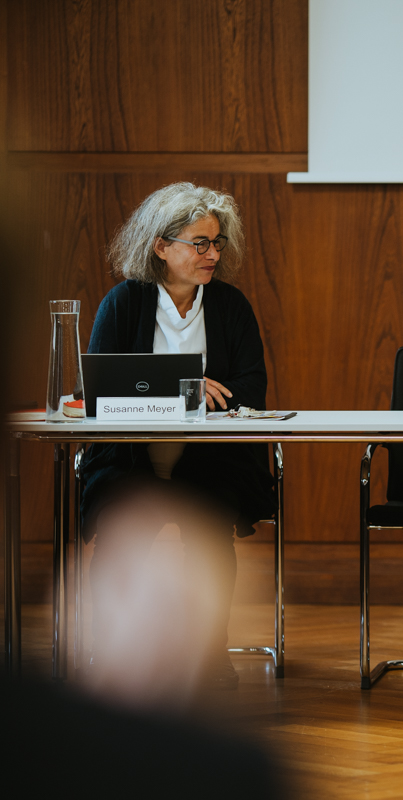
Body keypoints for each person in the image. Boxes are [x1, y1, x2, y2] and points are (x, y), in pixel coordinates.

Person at [79, 182, 277, 689]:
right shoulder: (124, 302)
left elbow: (253, 385)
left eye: (217, 243)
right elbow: (102, 391)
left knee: (212, 533)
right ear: (160, 246)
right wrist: (187, 389)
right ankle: (112, 652)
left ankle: (212, 655)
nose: (212, 254)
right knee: (124, 534)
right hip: (130, 460)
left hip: (210, 461)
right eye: (199, 243)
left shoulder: (230, 305)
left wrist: (194, 392)